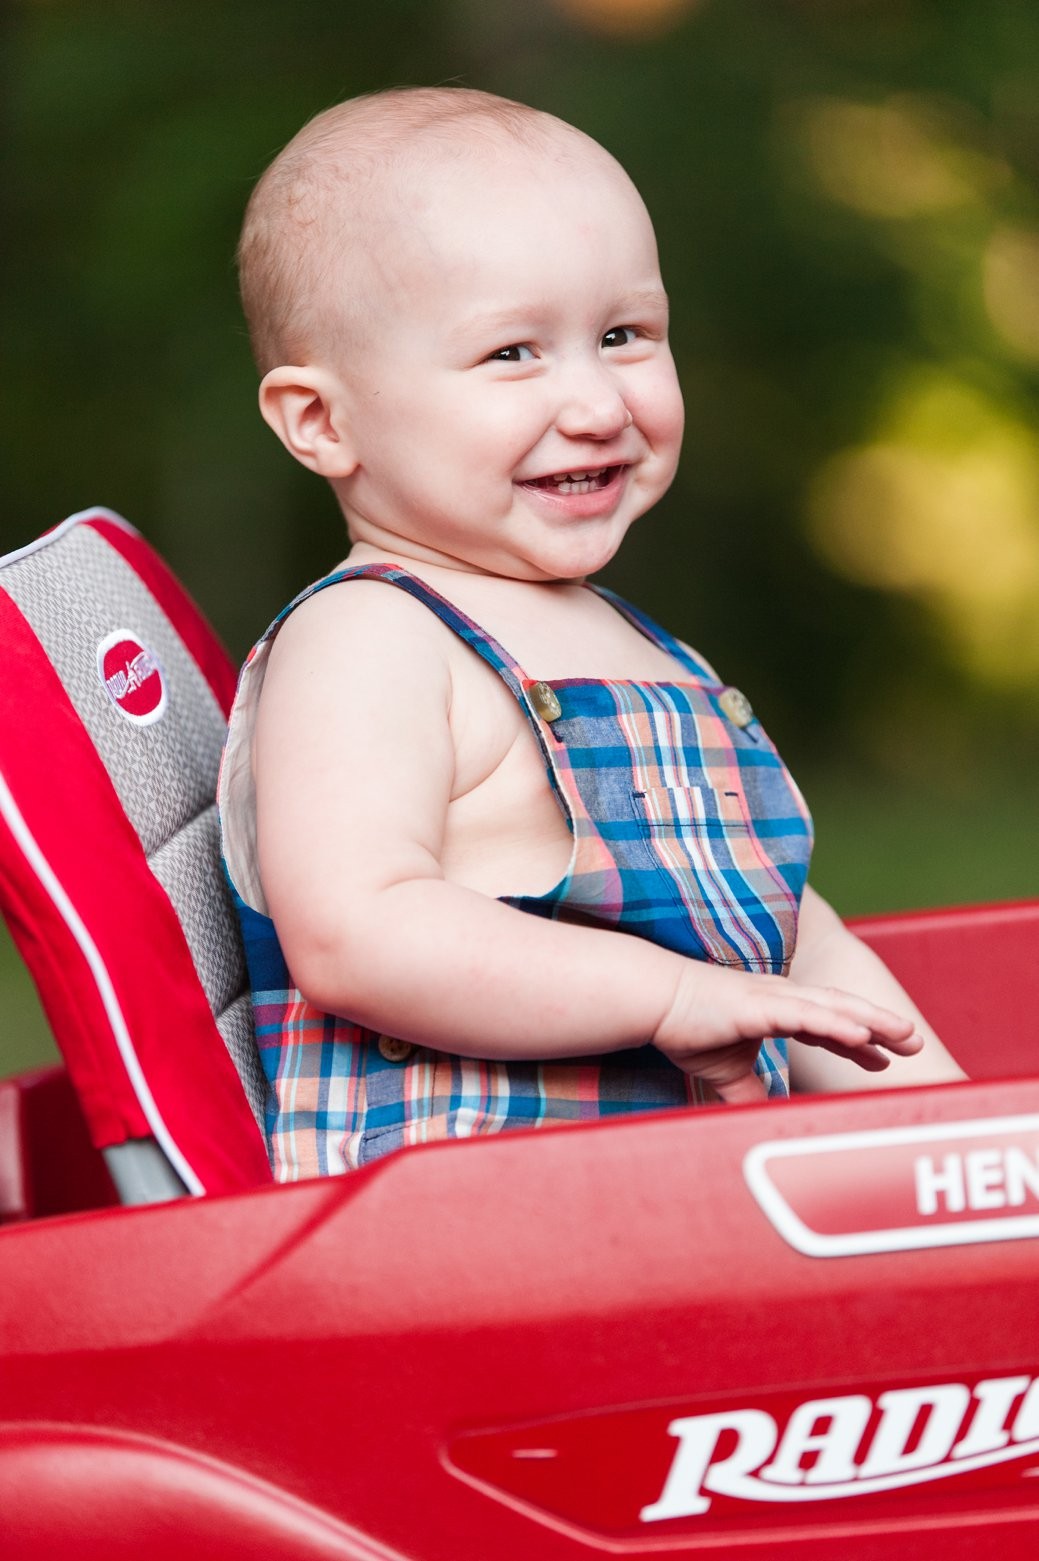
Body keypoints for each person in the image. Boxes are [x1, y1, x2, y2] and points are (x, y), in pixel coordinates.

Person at [219, 85, 964, 1181]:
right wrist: (666, 995)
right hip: (469, 1230)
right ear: (323, 421)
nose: (597, 403)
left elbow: (789, 938)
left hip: (665, 1213)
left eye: (623, 335)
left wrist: (960, 1145)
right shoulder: (370, 640)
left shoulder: (634, 642)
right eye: (513, 354)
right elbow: (355, 932)